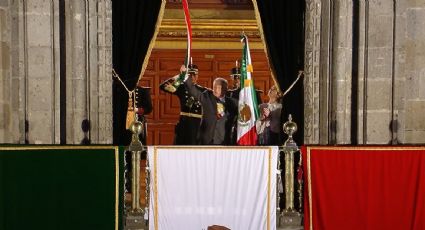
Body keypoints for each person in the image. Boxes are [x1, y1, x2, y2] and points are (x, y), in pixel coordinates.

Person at [185, 75, 238, 145]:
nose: (215, 90)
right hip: (206, 140)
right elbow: (192, 90)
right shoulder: (206, 97)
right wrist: (185, 75)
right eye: (214, 87)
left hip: (224, 142)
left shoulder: (233, 103)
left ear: (225, 89)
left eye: (218, 87)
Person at [159, 64, 205, 145]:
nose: (192, 77)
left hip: (197, 123)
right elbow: (163, 86)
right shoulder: (181, 88)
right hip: (184, 122)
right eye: (189, 75)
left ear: (197, 76)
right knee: (180, 146)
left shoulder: (202, 90)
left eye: (194, 75)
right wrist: (180, 76)